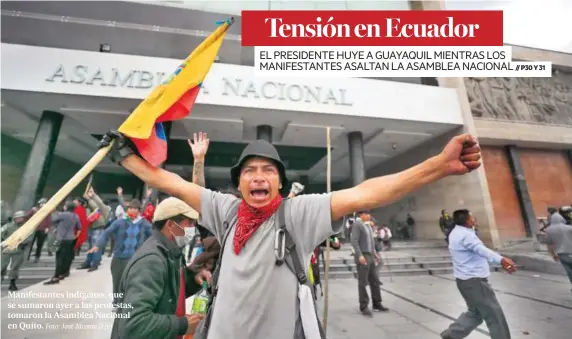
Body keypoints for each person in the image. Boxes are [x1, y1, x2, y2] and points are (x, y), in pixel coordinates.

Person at [98, 130, 482, 339]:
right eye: (249, 171)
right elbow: (170, 181)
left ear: (280, 180)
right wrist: (126, 156)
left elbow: (366, 192)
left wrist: (438, 165)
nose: (259, 177)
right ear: (239, 182)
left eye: (268, 170)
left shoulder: (298, 213)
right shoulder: (226, 211)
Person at [111, 197, 208, 339]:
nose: (193, 229)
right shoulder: (152, 260)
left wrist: (193, 280)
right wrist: (183, 325)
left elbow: (168, 291)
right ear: (170, 224)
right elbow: (135, 323)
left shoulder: (171, 252)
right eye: (190, 223)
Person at [441, 209, 516, 339]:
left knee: (475, 313)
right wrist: (501, 260)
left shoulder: (455, 233)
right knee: (494, 314)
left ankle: (451, 335)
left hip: (464, 281)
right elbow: (480, 249)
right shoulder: (466, 235)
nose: (474, 219)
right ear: (467, 220)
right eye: (472, 218)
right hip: (475, 281)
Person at [88, 199, 152, 306]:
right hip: (119, 258)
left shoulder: (144, 224)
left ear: (139, 211)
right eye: (130, 208)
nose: (132, 211)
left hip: (135, 259)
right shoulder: (120, 222)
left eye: (135, 209)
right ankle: (117, 303)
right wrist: (98, 245)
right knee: (117, 281)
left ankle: (129, 303)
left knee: (133, 282)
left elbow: (153, 237)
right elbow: (106, 233)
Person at [351, 211, 387, 316]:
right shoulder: (357, 224)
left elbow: (371, 241)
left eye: (369, 213)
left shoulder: (367, 225)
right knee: (363, 282)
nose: (369, 216)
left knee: (375, 280)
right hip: (363, 255)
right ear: (361, 215)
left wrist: (375, 253)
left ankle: (377, 303)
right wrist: (360, 255)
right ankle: (364, 306)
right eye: (366, 214)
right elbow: (354, 241)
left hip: (370, 254)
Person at [44, 202, 82, 285]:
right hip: (71, 239)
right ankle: (65, 272)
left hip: (61, 238)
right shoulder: (76, 216)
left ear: (67, 207)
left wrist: (52, 211)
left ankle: (56, 275)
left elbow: (52, 219)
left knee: (59, 257)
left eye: (65, 205)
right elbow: (79, 227)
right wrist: (75, 236)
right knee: (67, 256)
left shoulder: (63, 214)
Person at [78, 187, 111, 271]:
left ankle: (95, 263)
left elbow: (97, 205)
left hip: (98, 227)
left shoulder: (103, 207)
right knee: (89, 246)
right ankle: (88, 262)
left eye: (91, 192)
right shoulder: (90, 206)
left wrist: (91, 197)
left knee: (95, 246)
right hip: (91, 227)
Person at [1, 210, 33, 291]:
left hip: (18, 250)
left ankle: (12, 283)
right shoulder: (8, 226)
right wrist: (3, 241)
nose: (20, 219)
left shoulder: (26, 228)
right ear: (15, 218)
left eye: (22, 218)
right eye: (18, 218)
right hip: (6, 249)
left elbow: (30, 237)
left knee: (15, 268)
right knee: (1, 266)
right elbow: (1, 233)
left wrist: (24, 243)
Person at [544, 212, 572, 288]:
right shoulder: (569, 228)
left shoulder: (549, 230)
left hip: (562, 254)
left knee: (569, 271)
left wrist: (553, 255)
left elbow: (549, 245)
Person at [26, 198, 53, 263]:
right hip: (33, 229)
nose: (42, 205)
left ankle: (37, 257)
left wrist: (47, 228)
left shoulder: (47, 211)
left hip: (42, 229)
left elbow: (49, 220)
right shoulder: (34, 209)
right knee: (30, 243)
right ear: (39, 203)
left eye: (44, 203)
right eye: (41, 203)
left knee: (40, 244)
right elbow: (27, 215)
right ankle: (27, 256)